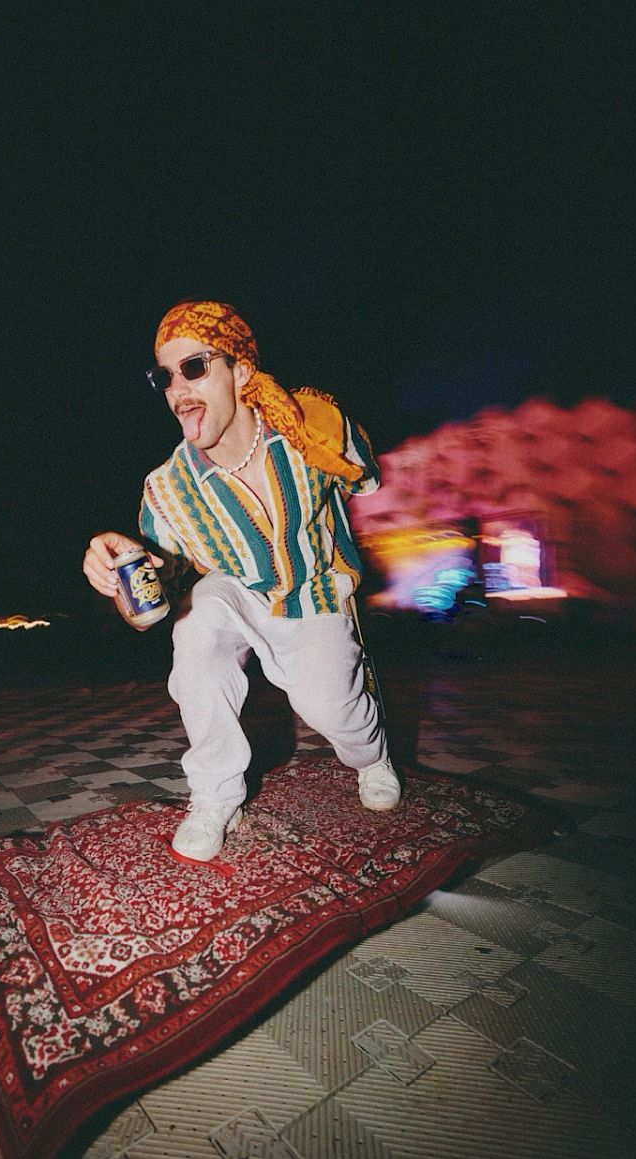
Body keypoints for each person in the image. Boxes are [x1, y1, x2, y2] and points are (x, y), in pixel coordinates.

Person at [83, 300, 400, 862]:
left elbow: (367, 480)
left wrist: (332, 438)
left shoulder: (306, 436)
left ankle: (372, 756)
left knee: (335, 711)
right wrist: (118, 571)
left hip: (312, 593)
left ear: (243, 372)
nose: (177, 388)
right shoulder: (166, 489)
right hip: (234, 592)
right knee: (198, 623)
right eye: (164, 375)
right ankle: (212, 795)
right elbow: (152, 604)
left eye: (195, 367)